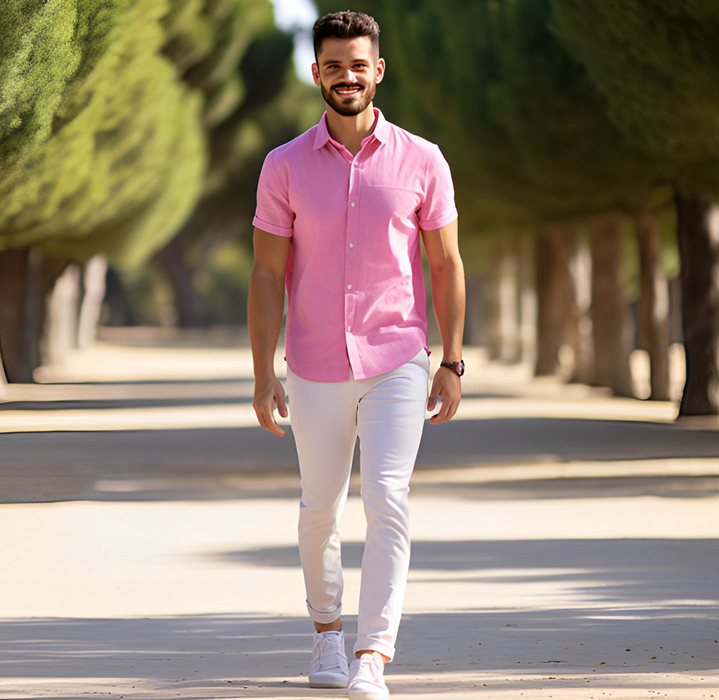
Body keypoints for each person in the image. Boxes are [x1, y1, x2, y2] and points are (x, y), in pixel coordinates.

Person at [247, 10, 465, 700]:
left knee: (386, 500)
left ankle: (374, 651)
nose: (348, 76)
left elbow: (447, 264)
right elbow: (264, 275)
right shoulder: (283, 166)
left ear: (379, 71)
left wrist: (452, 361)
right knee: (319, 508)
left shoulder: (423, 160)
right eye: (334, 65)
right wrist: (262, 374)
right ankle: (328, 635)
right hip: (313, 363)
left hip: (397, 357)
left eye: (359, 64)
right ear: (316, 73)